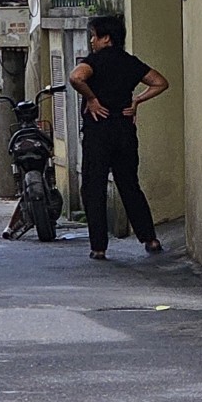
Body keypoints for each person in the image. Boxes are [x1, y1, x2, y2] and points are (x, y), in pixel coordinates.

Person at [69, 13, 167, 260]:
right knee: (129, 184)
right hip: (124, 129)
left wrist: (92, 99)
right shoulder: (130, 62)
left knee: (94, 187)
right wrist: (137, 101)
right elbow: (160, 82)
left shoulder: (94, 62)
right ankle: (150, 238)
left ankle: (99, 247)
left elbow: (76, 77)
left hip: (98, 130)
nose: (92, 41)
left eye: (94, 36)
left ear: (106, 38)